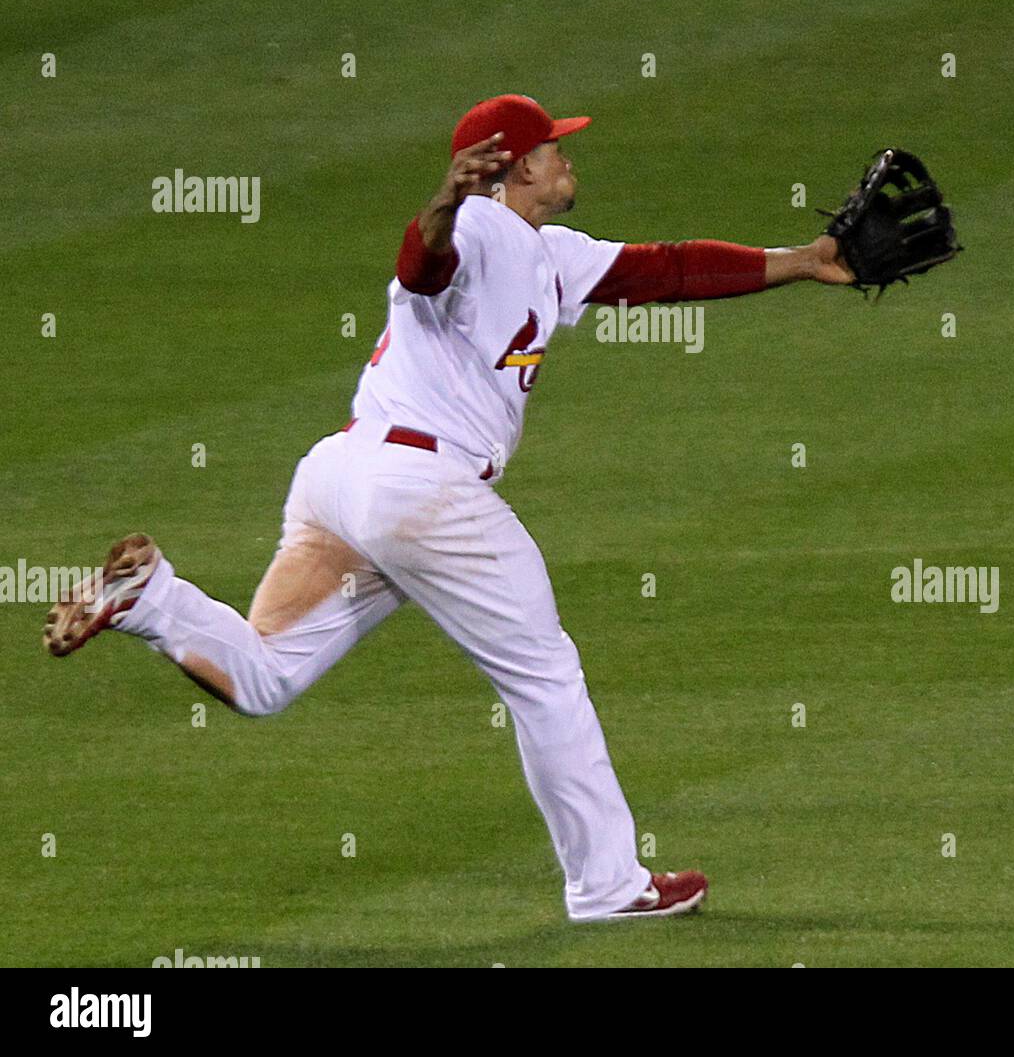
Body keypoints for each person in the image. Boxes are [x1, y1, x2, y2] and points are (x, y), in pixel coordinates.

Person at [44, 93, 854, 921]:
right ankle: (609, 883)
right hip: (419, 494)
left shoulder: (547, 250)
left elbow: (667, 269)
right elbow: (421, 266)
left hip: (344, 475)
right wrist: (441, 201)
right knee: (544, 675)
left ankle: (151, 599)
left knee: (265, 677)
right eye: (555, 148)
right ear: (517, 166)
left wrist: (807, 258)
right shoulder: (474, 227)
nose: (570, 159)